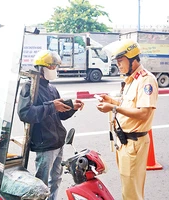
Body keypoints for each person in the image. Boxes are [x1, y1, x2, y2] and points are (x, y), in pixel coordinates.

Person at [17, 50, 84, 200]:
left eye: (56, 67)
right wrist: (52, 106)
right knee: (41, 183)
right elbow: (25, 113)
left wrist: (72, 108)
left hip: (58, 141)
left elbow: (59, 114)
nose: (55, 70)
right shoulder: (30, 87)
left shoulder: (51, 88)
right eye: (53, 67)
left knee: (56, 179)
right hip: (44, 144)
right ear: (41, 68)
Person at [97, 39, 158, 200]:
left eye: (120, 61)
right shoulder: (131, 80)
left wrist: (113, 108)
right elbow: (130, 106)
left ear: (133, 59)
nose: (118, 65)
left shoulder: (146, 80)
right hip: (125, 143)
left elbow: (143, 113)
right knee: (128, 188)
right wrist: (112, 101)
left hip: (134, 143)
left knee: (132, 193)